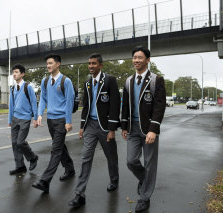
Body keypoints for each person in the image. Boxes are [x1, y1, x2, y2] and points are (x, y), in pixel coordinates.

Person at [68, 53, 120, 208]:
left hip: (105, 127)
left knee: (111, 156)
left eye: (94, 63)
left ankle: (114, 179)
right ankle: (79, 194)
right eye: (89, 63)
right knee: (85, 158)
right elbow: (86, 106)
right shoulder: (87, 83)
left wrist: (112, 129)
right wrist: (82, 126)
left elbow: (115, 105)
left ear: (101, 65)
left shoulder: (110, 80)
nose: (90, 66)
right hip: (90, 126)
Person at [121, 46, 166, 212]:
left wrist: (153, 129)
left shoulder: (156, 80)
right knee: (131, 161)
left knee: (149, 163)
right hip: (132, 128)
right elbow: (125, 105)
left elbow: (159, 107)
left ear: (147, 60)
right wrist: (124, 125)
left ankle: (144, 197)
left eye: (140, 57)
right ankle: (144, 179)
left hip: (148, 129)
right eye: (134, 57)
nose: (136, 60)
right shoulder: (128, 81)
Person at [32, 53, 75, 193]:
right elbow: (43, 99)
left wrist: (68, 121)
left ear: (58, 64)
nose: (48, 66)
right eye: (47, 64)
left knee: (55, 149)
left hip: (62, 120)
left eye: (50, 63)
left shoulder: (65, 81)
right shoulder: (45, 81)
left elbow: (69, 102)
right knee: (60, 146)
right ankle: (70, 169)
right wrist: (39, 114)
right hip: (51, 119)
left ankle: (45, 180)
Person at [8, 64, 39, 175]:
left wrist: (35, 118)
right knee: (14, 143)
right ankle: (20, 166)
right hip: (15, 118)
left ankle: (33, 157)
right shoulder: (12, 89)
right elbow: (11, 105)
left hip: (25, 118)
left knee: (20, 142)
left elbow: (33, 103)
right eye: (13, 72)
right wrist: (9, 120)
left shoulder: (28, 87)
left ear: (22, 74)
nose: (14, 74)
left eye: (16, 72)